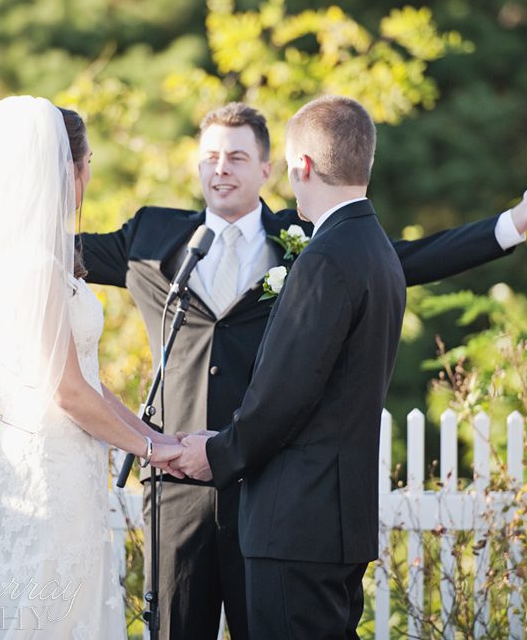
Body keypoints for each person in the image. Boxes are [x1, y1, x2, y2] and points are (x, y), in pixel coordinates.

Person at [0, 101, 527, 640]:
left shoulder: (315, 240)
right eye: (208, 157)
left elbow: (405, 256)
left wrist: (514, 221)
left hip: (268, 482)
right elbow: (41, 238)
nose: (219, 169)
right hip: (176, 485)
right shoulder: (149, 237)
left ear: (272, 168)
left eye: (236, 156)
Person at [0, 96, 181, 638]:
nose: (90, 173)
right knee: (41, 612)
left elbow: (88, 380)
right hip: (49, 471)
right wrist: (150, 451)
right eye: (88, 160)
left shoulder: (25, 254)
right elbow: (69, 393)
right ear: (66, 168)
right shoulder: (33, 265)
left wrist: (156, 438)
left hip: (60, 462)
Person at [170, 95, 406, 638]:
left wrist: (218, 452)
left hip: (295, 523)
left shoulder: (324, 258)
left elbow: (286, 394)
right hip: (338, 519)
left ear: (302, 167)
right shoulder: (376, 249)